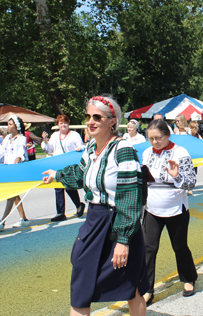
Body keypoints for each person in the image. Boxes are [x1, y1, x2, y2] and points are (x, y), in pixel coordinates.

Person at [42, 95, 148, 316]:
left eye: (97, 117)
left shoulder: (124, 149)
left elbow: (130, 198)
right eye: (88, 116)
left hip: (119, 223)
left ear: (112, 121)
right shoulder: (90, 148)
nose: (91, 121)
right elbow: (80, 174)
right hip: (94, 222)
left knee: (131, 285)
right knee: (81, 284)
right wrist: (57, 175)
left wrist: (123, 241)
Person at [142, 119, 198, 303]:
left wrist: (177, 176)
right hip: (152, 209)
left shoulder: (180, 152)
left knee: (179, 246)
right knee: (148, 248)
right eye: (151, 138)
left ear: (167, 135)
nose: (155, 142)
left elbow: (191, 182)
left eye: (158, 138)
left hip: (176, 209)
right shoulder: (146, 153)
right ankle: (147, 288)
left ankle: (188, 278)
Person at [42, 115, 86, 222]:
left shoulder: (74, 135)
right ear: (58, 125)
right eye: (61, 123)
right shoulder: (55, 136)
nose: (63, 125)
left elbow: (82, 146)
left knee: (69, 187)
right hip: (58, 165)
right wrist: (45, 141)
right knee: (58, 188)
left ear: (68, 124)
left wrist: (79, 148)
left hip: (70, 166)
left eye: (65, 123)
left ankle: (79, 205)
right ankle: (60, 212)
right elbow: (48, 149)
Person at [0, 114, 30, 231]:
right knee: (14, 195)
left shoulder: (22, 138)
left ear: (16, 126)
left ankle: (2, 222)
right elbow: (0, 152)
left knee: (11, 195)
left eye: (10, 124)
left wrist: (19, 158)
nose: (8, 126)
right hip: (8, 169)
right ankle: (24, 219)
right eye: (8, 124)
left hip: (16, 170)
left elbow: (21, 152)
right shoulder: (7, 138)